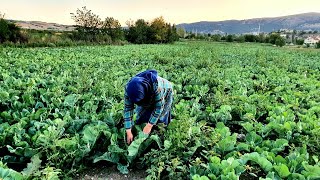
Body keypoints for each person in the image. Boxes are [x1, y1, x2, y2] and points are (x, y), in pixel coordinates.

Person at [123, 70, 173, 144]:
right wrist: (128, 131)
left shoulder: (156, 87)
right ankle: (145, 127)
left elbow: (159, 107)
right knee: (141, 114)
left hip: (166, 92)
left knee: (161, 116)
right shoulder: (129, 89)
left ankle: (160, 132)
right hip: (145, 93)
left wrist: (149, 126)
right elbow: (128, 109)